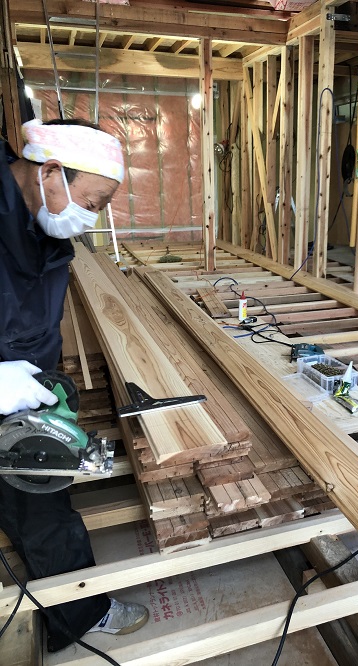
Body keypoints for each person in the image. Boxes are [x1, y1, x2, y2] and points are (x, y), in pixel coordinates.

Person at [0, 118, 148, 652]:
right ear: (52, 172)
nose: (93, 216)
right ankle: (81, 613)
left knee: (40, 499)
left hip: (23, 383)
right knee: (41, 507)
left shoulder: (38, 217)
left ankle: (76, 610)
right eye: (93, 201)